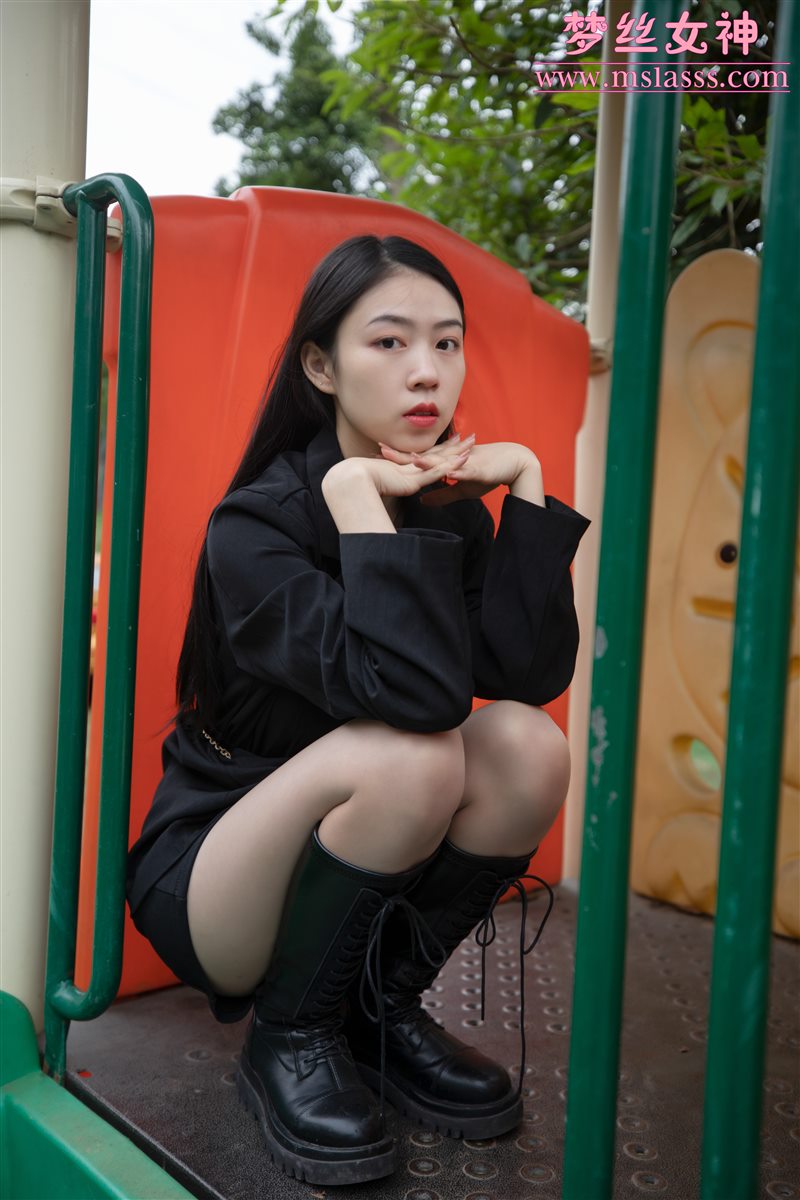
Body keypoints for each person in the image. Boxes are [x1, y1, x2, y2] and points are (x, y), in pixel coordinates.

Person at [125, 234, 591, 1186]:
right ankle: (290, 1036)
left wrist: (527, 485)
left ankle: (377, 1013)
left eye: (447, 343)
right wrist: (351, 493)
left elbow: (527, 674)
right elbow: (413, 702)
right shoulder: (256, 525)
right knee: (414, 753)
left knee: (528, 746)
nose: (427, 371)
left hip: (357, 837)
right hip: (219, 871)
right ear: (320, 366)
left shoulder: (446, 510)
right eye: (389, 342)